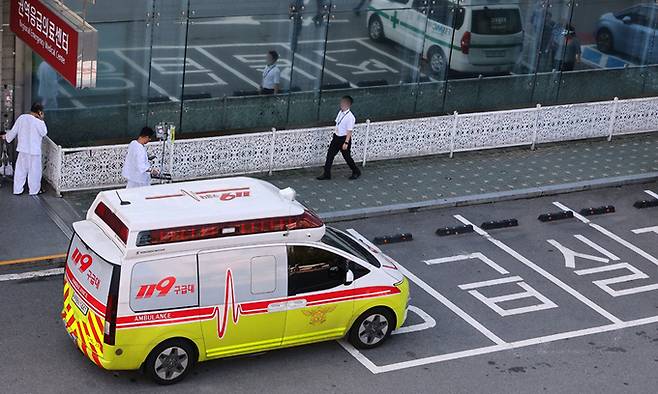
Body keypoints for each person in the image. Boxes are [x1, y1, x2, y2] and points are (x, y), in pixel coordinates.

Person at [2, 102, 48, 195]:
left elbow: (13, 131)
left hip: (23, 149)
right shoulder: (39, 122)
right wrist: (42, 120)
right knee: (34, 172)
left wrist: (6, 137)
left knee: (20, 171)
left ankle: (17, 189)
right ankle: (34, 191)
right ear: (39, 112)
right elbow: (44, 133)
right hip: (34, 151)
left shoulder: (22, 118)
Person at [317, 95, 361, 181]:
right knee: (330, 155)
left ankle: (356, 171)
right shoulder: (340, 112)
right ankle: (327, 174)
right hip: (336, 137)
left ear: (347, 104)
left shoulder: (350, 117)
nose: (341, 104)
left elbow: (349, 131)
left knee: (347, 157)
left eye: (343, 102)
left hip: (344, 139)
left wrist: (346, 142)